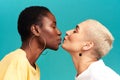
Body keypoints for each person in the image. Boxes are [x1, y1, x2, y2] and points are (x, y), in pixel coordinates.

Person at [0, 6, 61, 80]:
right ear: (35, 30)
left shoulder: (34, 68)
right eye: (53, 26)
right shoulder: (18, 61)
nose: (59, 32)